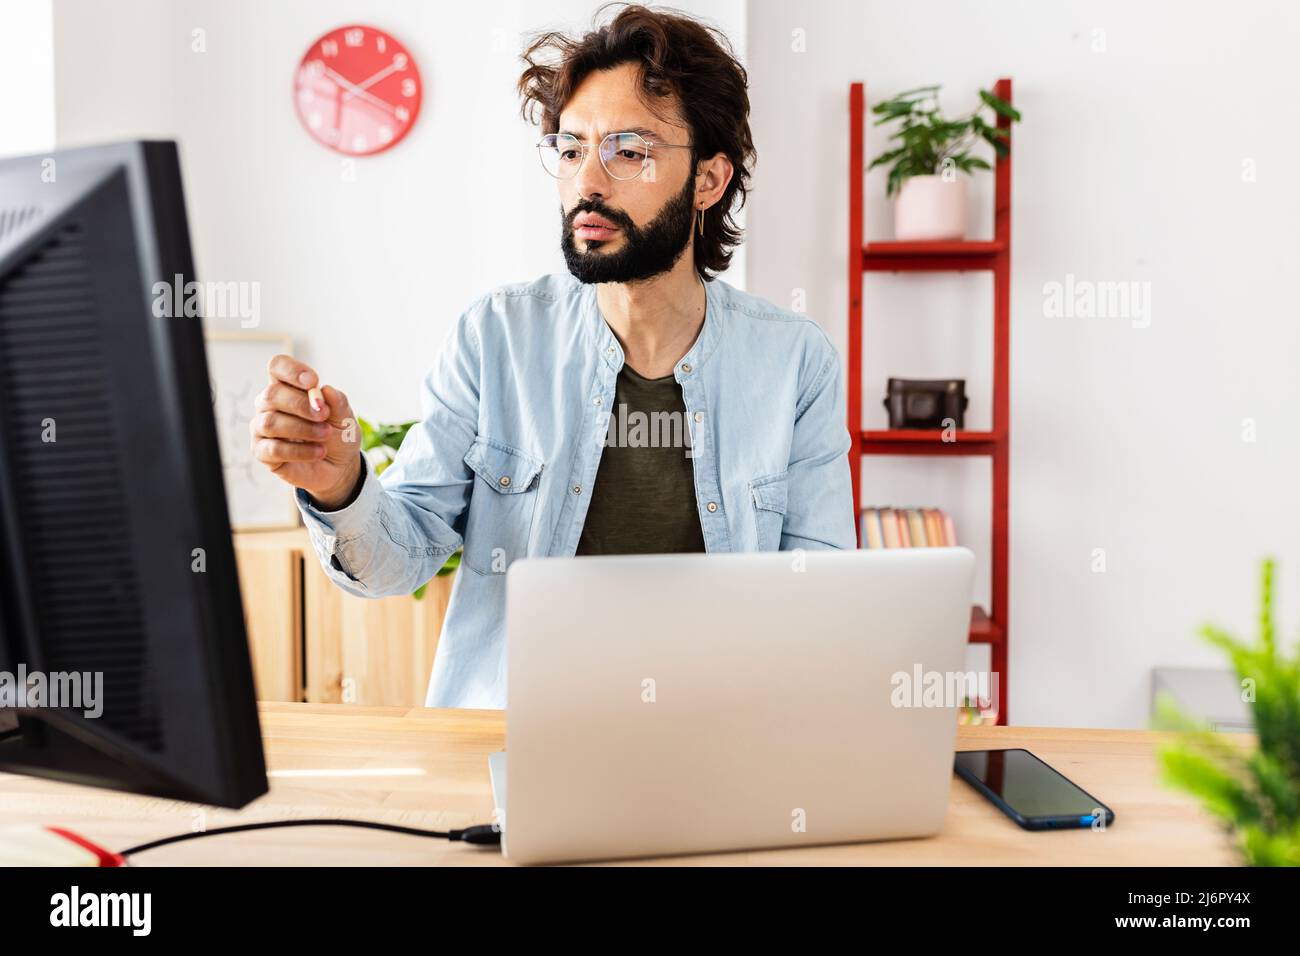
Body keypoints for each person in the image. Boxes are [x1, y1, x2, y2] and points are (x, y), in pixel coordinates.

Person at [250, 4, 854, 709]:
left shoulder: (793, 362)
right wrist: (339, 484)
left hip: (717, 737)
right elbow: (397, 561)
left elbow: (821, 594)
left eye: (629, 150)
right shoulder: (495, 337)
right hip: (515, 740)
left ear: (710, 181)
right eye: (570, 149)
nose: (587, 182)